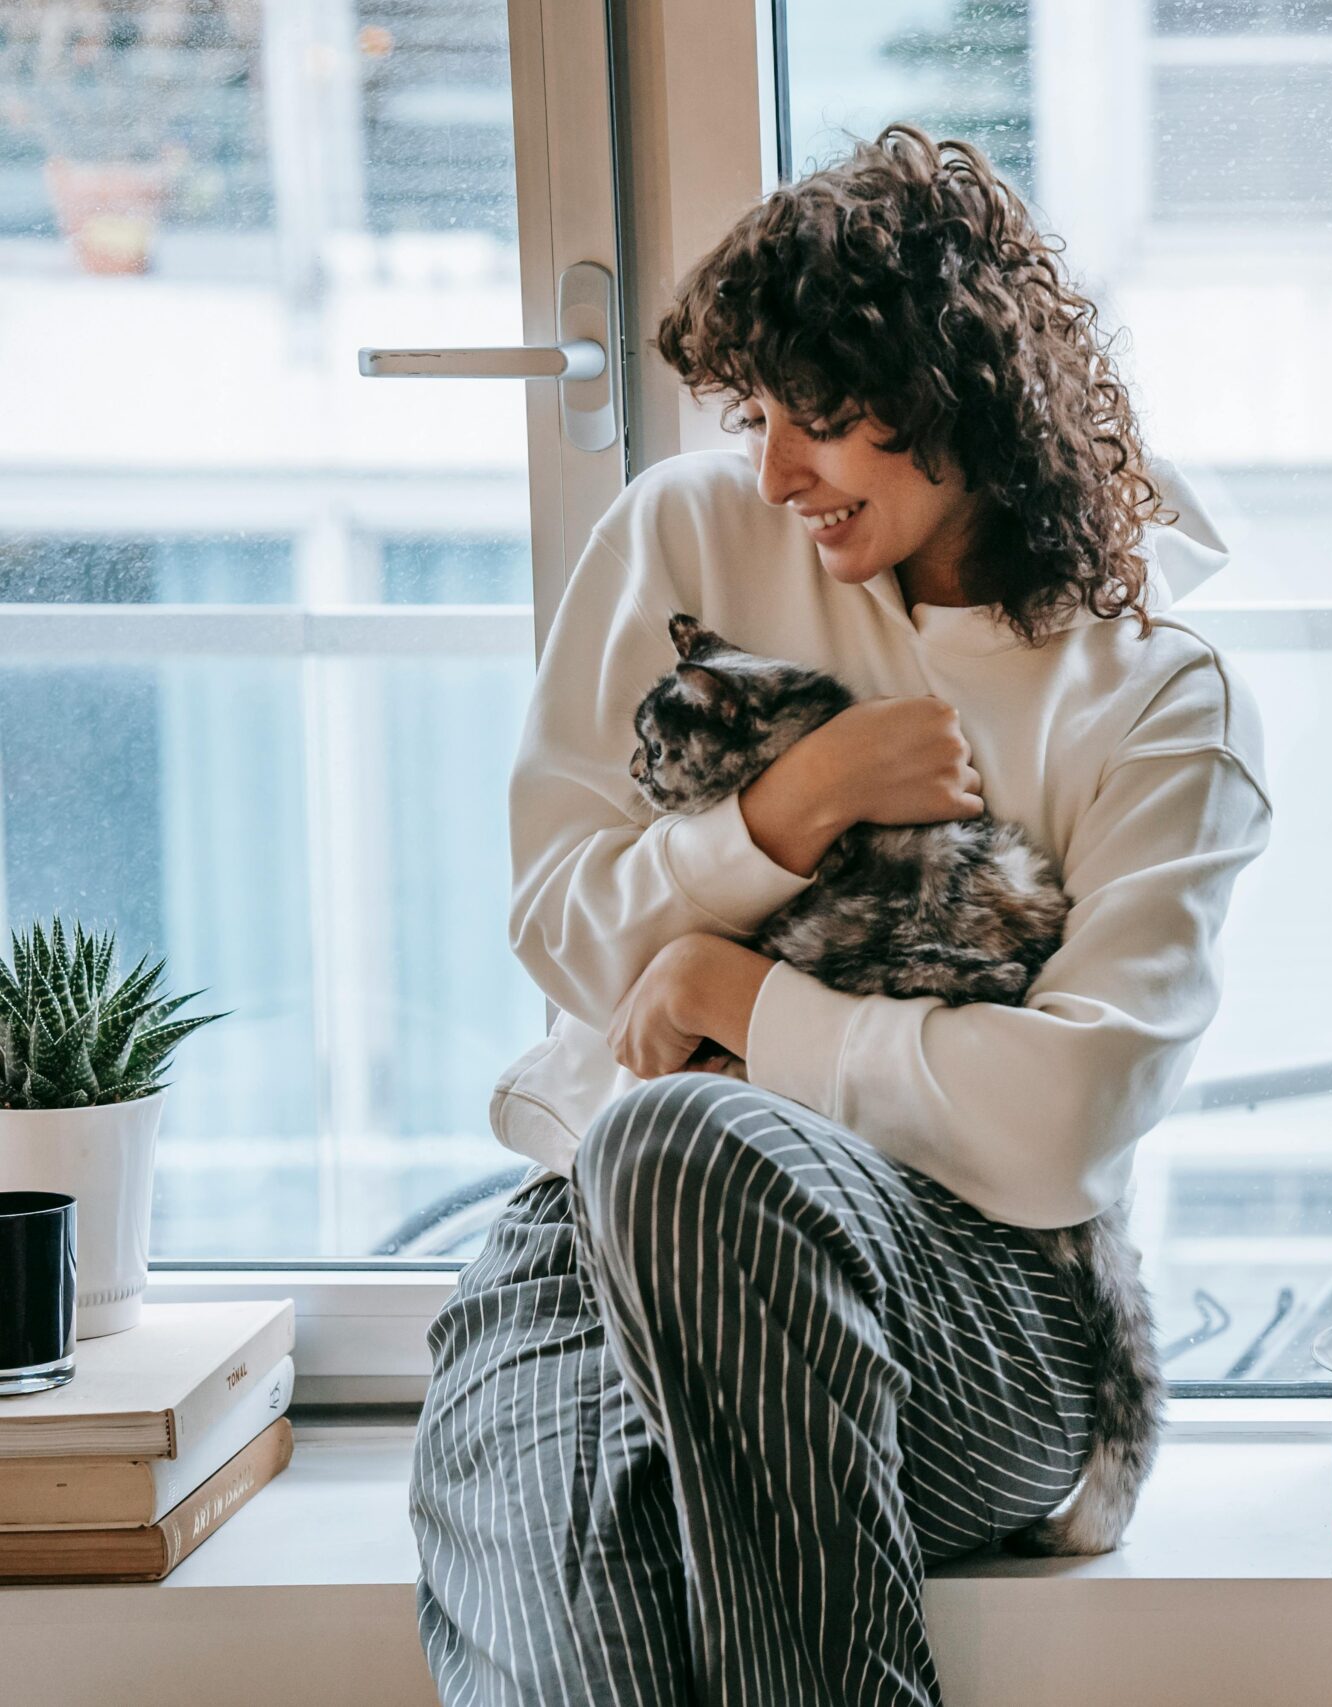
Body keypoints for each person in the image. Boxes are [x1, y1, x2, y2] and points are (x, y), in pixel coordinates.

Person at [408, 124, 1271, 1707]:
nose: (776, 467)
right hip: (583, 1260)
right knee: (559, 1647)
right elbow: (562, 930)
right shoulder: (686, 534)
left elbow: (1059, 1119)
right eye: (756, 417)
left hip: (981, 1302)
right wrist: (783, 811)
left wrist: (740, 1003)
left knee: (681, 1139)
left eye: (819, 419)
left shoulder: (1156, 698)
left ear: (960, 392)